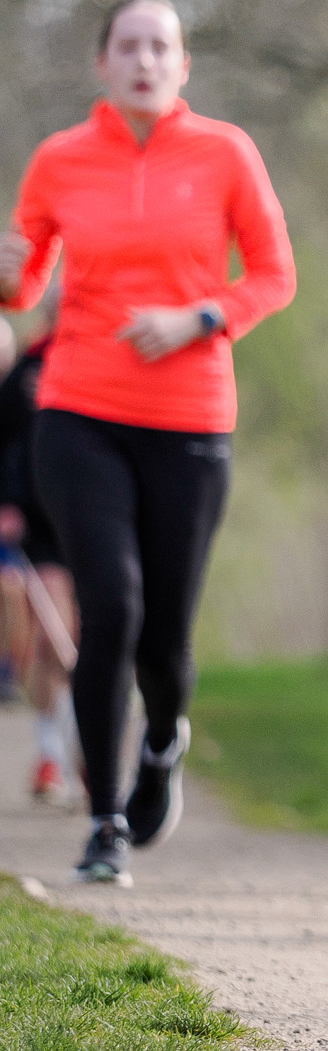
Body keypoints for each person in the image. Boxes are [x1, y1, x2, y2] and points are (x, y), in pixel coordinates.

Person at [0, 0, 297, 885]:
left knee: (164, 639)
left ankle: (164, 737)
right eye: (127, 46)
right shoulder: (60, 160)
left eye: (159, 46)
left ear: (183, 64)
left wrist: (200, 316)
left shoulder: (225, 154)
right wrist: (9, 280)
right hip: (79, 411)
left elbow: (275, 276)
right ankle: (103, 822)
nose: (143, 60)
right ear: (102, 65)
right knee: (111, 610)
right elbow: (25, 292)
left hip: (191, 420)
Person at [0, 296, 80, 801]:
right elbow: (4, 441)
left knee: (94, 643)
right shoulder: (28, 371)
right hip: (43, 525)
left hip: (102, 521)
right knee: (54, 641)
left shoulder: (117, 365)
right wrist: (8, 502)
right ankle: (53, 755)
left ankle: (93, 756)